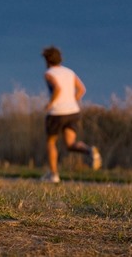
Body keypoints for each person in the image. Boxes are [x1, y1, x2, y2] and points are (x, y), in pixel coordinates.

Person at [40, 46, 101, 183]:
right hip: (73, 111)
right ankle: (90, 150)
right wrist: (71, 100)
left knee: (51, 142)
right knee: (70, 144)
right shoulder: (69, 72)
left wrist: (51, 103)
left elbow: (57, 88)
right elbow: (81, 89)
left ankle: (53, 175)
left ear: (47, 59)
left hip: (57, 112)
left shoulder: (49, 73)